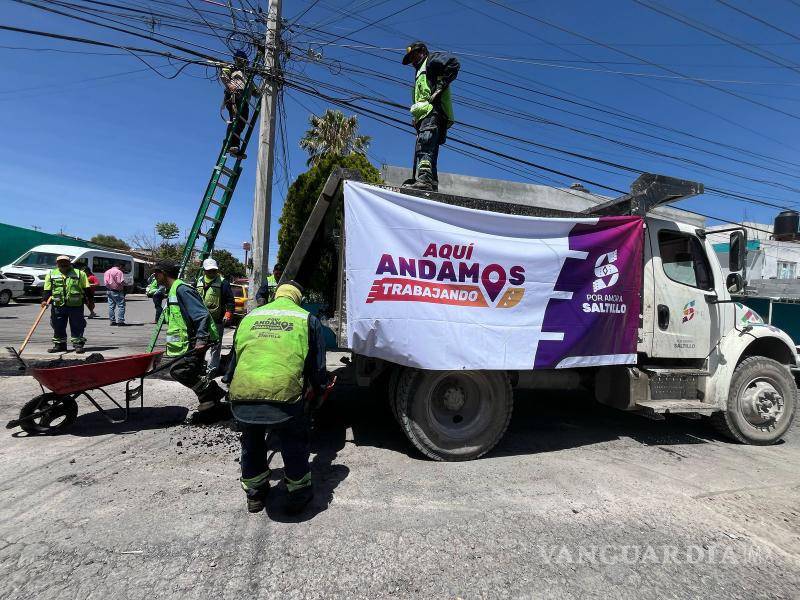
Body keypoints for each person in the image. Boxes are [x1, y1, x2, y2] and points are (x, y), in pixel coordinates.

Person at [224, 281, 328, 514]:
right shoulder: (306, 319)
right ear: (297, 298)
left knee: (251, 441)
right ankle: (298, 493)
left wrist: (230, 382)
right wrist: (320, 389)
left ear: (276, 295)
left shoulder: (250, 317)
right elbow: (316, 366)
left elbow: (234, 358)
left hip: (243, 392)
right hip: (284, 396)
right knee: (293, 439)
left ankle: (255, 494)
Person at [152, 260, 227, 425]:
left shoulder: (182, 289)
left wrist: (201, 340)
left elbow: (201, 315)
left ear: (163, 273)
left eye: (156, 273)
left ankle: (212, 392)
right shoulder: (172, 290)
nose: (154, 276)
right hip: (186, 343)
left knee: (180, 371)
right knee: (191, 373)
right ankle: (211, 405)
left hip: (194, 342)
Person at [401, 41, 460, 192]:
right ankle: (430, 181)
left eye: (414, 56)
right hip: (424, 116)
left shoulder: (431, 61)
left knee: (425, 144)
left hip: (433, 112)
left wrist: (441, 87)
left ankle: (424, 179)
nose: (412, 62)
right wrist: (416, 119)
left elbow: (453, 63)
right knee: (427, 147)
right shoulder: (419, 72)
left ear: (422, 52)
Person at [195, 257, 235, 375]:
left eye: (214, 270)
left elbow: (230, 301)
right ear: (204, 270)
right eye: (209, 270)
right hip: (200, 320)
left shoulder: (223, 282)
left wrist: (228, 313)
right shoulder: (198, 281)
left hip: (217, 320)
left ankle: (212, 369)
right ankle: (199, 367)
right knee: (199, 345)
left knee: (215, 346)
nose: (212, 272)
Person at [42, 256, 89, 354]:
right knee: (57, 325)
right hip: (58, 305)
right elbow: (47, 289)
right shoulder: (51, 274)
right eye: (60, 262)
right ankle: (60, 345)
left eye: (65, 262)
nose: (63, 264)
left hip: (76, 305)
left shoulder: (80, 273)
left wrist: (90, 301)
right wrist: (44, 300)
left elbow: (86, 289)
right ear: (57, 264)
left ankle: (78, 344)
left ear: (69, 263)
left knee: (77, 325)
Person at [220, 50, 249, 158]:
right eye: (241, 59)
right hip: (234, 95)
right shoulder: (232, 67)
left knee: (242, 121)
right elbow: (223, 75)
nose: (243, 62)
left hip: (244, 98)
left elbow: (255, 90)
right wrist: (229, 85)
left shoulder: (246, 75)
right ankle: (230, 145)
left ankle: (234, 147)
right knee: (235, 119)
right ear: (237, 59)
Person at [104, 262, 127, 326]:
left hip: (109, 291)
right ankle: (120, 321)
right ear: (120, 266)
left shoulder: (107, 272)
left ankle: (112, 321)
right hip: (117, 291)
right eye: (123, 267)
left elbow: (105, 283)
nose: (123, 269)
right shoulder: (119, 272)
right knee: (121, 306)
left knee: (111, 307)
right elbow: (120, 281)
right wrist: (126, 284)